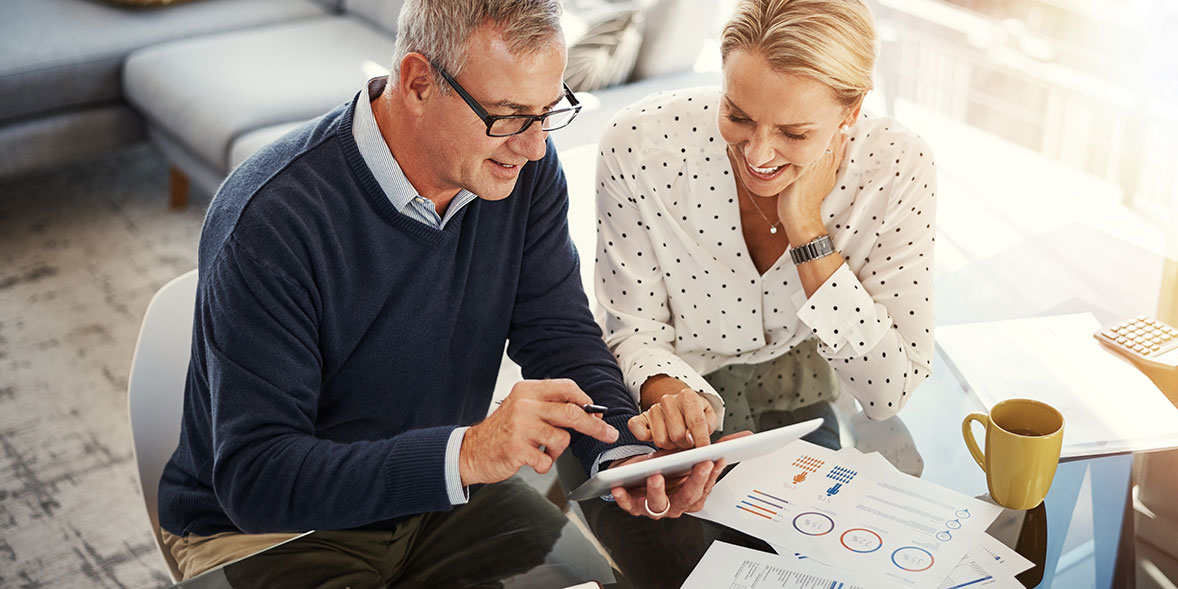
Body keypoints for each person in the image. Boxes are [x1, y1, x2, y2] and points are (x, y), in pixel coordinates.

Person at [156, 1, 724, 584]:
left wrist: (623, 455)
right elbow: (258, 480)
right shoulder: (272, 220)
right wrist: (469, 454)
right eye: (507, 115)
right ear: (418, 82)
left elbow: (558, 334)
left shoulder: (522, 171)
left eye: (548, 111)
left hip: (437, 498)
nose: (532, 148)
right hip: (273, 532)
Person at [594, 0, 937, 450]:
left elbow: (888, 392)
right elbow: (633, 328)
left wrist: (807, 230)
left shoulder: (894, 167)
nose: (757, 155)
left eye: (794, 134)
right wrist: (670, 398)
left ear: (850, 112)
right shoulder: (638, 147)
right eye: (737, 116)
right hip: (666, 393)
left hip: (800, 391)